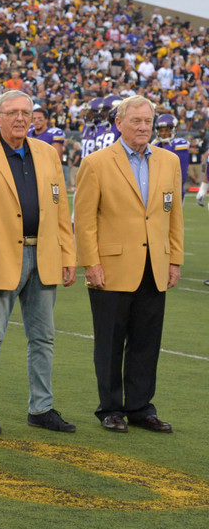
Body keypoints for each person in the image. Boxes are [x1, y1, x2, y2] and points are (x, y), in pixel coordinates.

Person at [0, 90, 77, 435]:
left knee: (44, 337)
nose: (21, 118)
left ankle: (41, 407)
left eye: (26, 112)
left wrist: (68, 254)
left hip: (45, 253)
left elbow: (61, 209)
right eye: (12, 113)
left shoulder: (46, 153)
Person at [74, 95, 183, 434]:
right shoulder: (96, 163)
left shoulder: (169, 161)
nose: (142, 127)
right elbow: (85, 219)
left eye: (147, 121)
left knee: (146, 342)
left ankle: (140, 407)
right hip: (111, 267)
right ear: (118, 123)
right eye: (135, 121)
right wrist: (90, 263)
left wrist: (174, 259)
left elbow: (174, 216)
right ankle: (110, 408)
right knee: (109, 342)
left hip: (155, 265)